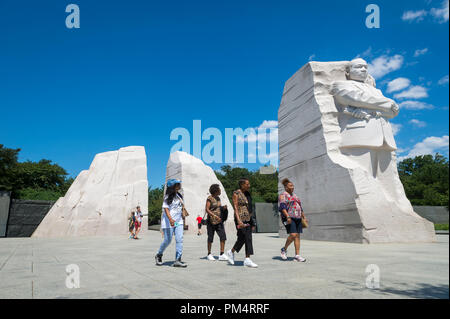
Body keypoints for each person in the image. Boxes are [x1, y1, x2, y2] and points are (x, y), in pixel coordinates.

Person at [226, 178, 258, 268]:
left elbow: (250, 207)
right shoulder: (236, 193)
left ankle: (247, 259)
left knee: (248, 237)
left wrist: (252, 222)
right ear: (242, 185)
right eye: (247, 184)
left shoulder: (247, 193)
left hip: (248, 218)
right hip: (239, 218)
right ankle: (231, 252)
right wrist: (239, 220)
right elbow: (235, 207)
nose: (249, 186)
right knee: (242, 237)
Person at [155, 179, 187, 267]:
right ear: (173, 186)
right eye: (177, 184)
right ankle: (159, 254)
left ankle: (177, 259)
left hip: (178, 222)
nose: (179, 185)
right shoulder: (167, 197)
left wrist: (183, 219)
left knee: (179, 239)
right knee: (167, 240)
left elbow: (181, 208)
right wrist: (170, 219)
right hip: (169, 222)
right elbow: (166, 209)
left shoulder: (179, 195)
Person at [279, 178, 307, 262]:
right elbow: (282, 208)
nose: (292, 187)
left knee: (297, 236)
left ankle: (297, 255)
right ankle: (284, 249)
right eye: (290, 186)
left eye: (293, 185)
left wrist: (303, 217)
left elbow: (300, 207)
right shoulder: (283, 195)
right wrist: (287, 217)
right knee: (293, 234)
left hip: (298, 217)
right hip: (289, 218)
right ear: (286, 187)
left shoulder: (295, 196)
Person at [205, 184, 229, 262]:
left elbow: (218, 208)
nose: (220, 190)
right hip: (211, 221)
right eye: (219, 189)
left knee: (223, 237)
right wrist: (214, 216)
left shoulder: (218, 198)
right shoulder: (209, 198)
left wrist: (223, 208)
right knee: (210, 238)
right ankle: (209, 254)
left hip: (219, 221)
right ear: (215, 190)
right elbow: (207, 209)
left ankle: (221, 254)